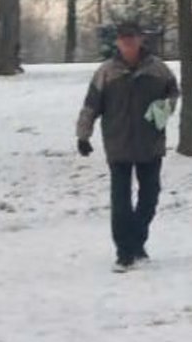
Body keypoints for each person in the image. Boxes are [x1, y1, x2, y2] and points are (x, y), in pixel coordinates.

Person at [76, 16, 179, 272]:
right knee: (120, 201)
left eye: (132, 39)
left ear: (141, 40)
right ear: (118, 43)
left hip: (150, 143)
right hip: (118, 144)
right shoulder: (106, 72)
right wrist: (83, 135)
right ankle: (124, 252)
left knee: (150, 196)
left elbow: (173, 93)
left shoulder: (158, 69)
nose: (128, 43)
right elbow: (91, 105)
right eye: (123, 40)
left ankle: (137, 242)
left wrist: (163, 110)